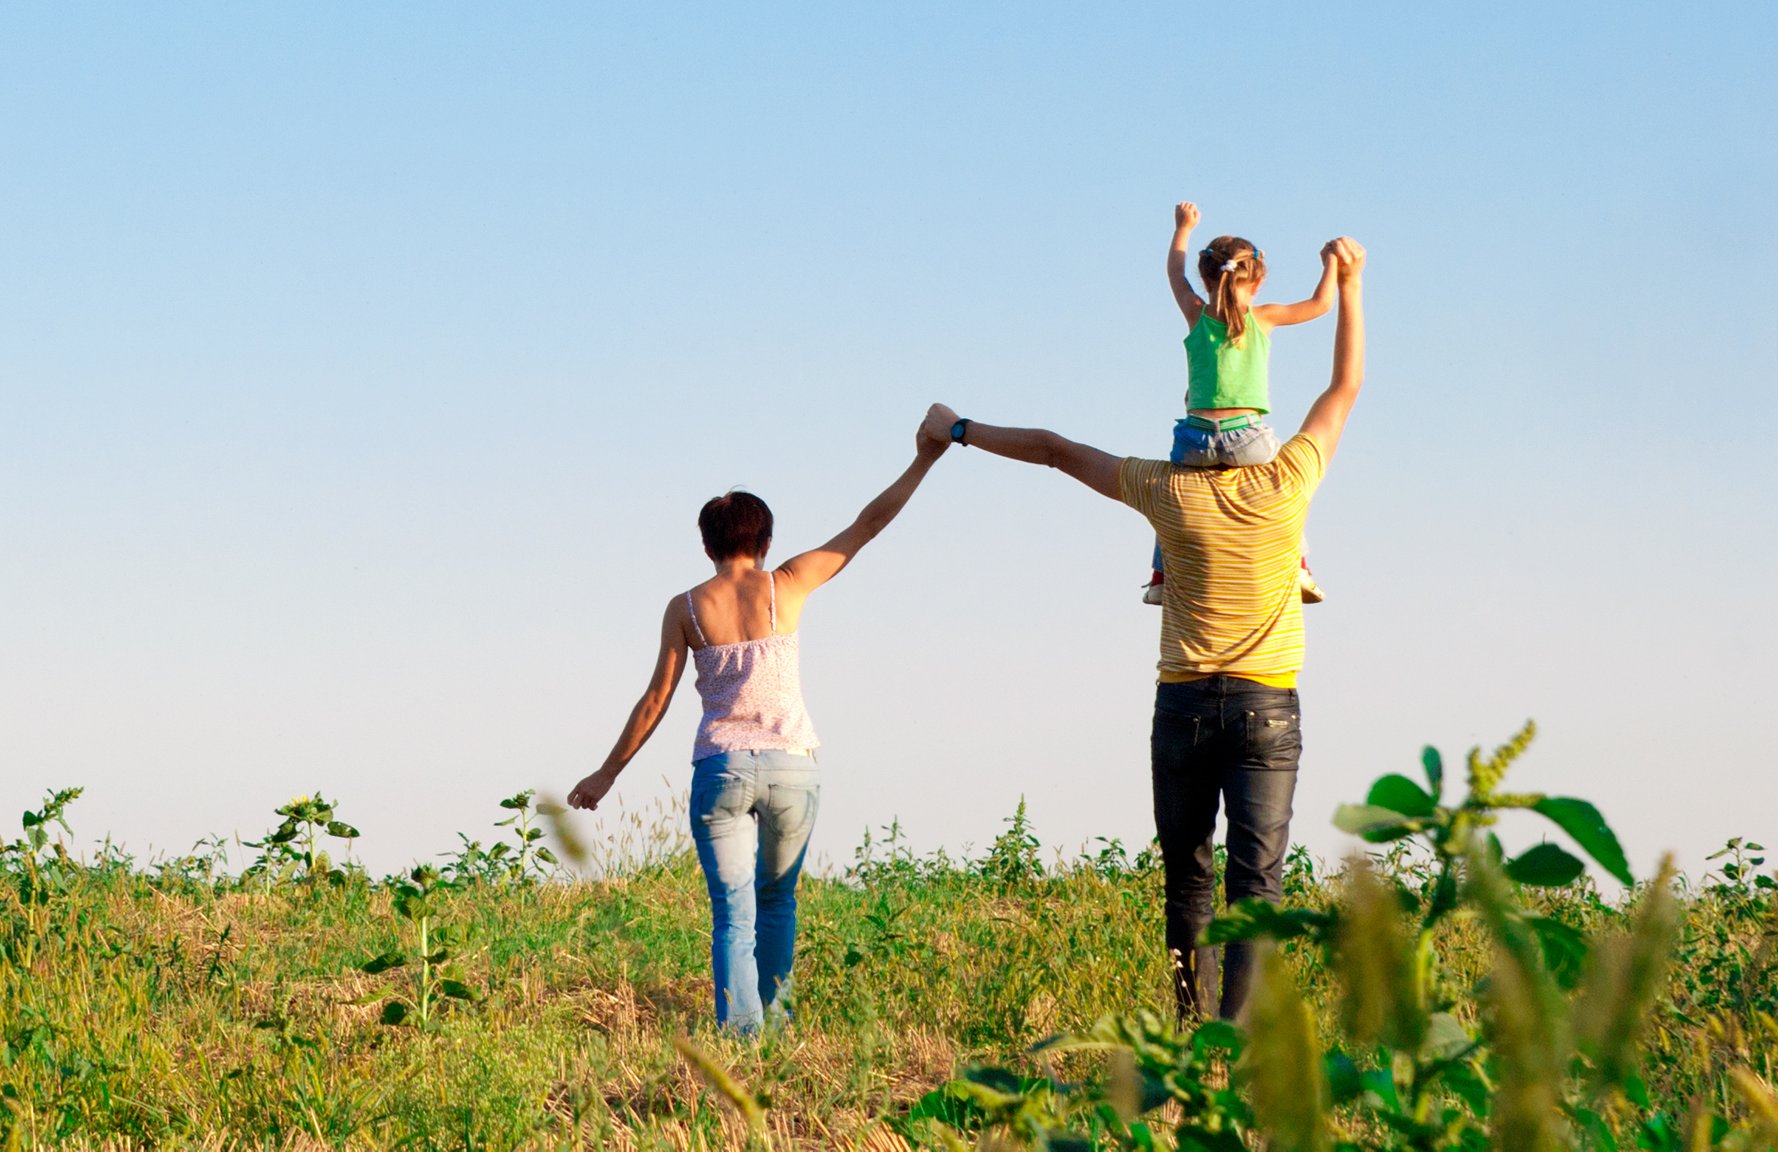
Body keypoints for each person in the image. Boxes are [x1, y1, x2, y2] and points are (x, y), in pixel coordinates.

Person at [922, 236, 1366, 1019]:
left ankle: (1190, 1026)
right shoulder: (1291, 481)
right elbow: (1344, 385)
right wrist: (1351, 284)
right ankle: (1235, 1039)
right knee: (1255, 881)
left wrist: (960, 429)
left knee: (1187, 875)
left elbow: (1058, 451)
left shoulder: (1166, 491)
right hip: (1268, 705)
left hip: (1184, 709)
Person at [566, 424, 948, 1032]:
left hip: (722, 768)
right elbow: (869, 524)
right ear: (765, 542)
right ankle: (775, 1028)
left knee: (732, 917)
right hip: (794, 766)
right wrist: (923, 461)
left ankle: (741, 1042)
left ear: (706, 545)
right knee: (777, 904)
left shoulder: (686, 607)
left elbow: (655, 700)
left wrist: (605, 774)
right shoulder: (788, 583)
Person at [1144, 201, 1337, 607]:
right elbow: (1321, 304)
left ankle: (1161, 575)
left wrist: (1183, 227)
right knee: (1288, 490)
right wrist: (1332, 266)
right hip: (1247, 438)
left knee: (1169, 498)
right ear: (1259, 280)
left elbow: (1174, 274)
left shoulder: (1195, 313)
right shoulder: (1263, 317)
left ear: (1206, 276)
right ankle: (1298, 565)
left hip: (1194, 439)